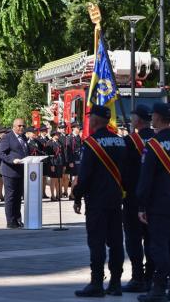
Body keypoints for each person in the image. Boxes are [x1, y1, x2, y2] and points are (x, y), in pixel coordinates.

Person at [136, 103, 170, 302]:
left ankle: (158, 289)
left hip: (157, 205)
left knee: (159, 248)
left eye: (154, 116)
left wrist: (141, 205)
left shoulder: (154, 144)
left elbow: (146, 178)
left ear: (157, 118)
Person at [72, 104, 126, 297]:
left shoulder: (92, 143)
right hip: (115, 199)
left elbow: (84, 175)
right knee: (116, 242)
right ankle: (116, 283)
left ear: (95, 120)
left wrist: (77, 195)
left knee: (96, 242)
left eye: (90, 117)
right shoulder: (121, 142)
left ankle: (96, 282)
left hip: (96, 201)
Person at [122, 104, 156, 293]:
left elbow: (124, 171)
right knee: (152, 239)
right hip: (154, 198)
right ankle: (150, 276)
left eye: (133, 116)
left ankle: (138, 277)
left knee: (134, 240)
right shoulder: (158, 139)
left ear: (138, 120)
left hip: (134, 198)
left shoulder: (130, 141)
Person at [0, 118, 28, 229]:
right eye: (19, 126)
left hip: (21, 171)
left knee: (18, 197)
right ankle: (10, 221)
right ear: (13, 126)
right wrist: (12, 160)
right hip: (10, 171)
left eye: (23, 126)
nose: (21, 128)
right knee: (10, 197)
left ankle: (18, 220)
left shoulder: (24, 137)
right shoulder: (7, 137)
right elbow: (1, 153)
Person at [46, 131, 65, 201]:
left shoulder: (59, 143)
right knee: (53, 180)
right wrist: (51, 165)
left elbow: (62, 154)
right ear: (53, 135)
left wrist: (64, 164)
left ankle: (58, 195)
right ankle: (52, 195)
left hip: (60, 163)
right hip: (53, 163)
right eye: (57, 134)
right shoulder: (50, 143)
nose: (58, 135)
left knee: (58, 180)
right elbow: (49, 155)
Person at [66, 122, 82, 200]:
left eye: (79, 128)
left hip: (79, 159)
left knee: (77, 178)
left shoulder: (78, 137)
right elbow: (69, 151)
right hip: (73, 160)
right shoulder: (70, 137)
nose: (78, 129)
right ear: (73, 128)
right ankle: (72, 194)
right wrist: (70, 161)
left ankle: (73, 193)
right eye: (77, 128)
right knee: (74, 178)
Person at [37, 125, 50, 198]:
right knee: (40, 178)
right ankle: (40, 192)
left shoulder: (47, 138)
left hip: (46, 160)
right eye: (45, 130)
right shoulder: (38, 139)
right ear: (42, 131)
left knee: (45, 177)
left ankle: (44, 192)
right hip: (41, 160)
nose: (46, 131)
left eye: (46, 130)